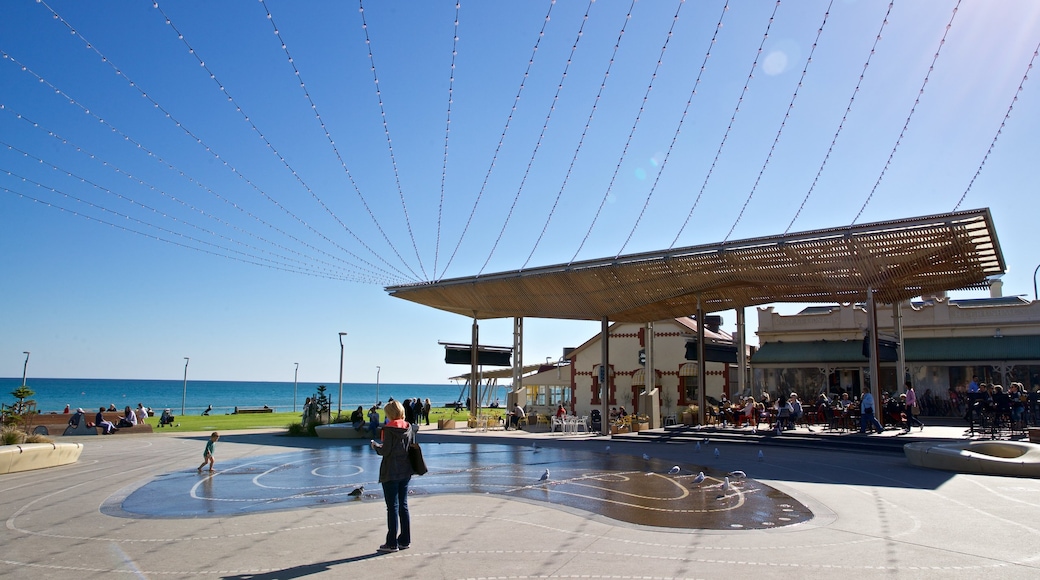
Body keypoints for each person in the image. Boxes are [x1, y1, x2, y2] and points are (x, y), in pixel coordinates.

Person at [371, 400, 414, 552]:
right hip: (405, 470)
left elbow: (386, 451)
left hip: (391, 471)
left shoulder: (388, 429)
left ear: (390, 414)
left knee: (392, 507)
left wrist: (376, 447)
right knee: (403, 505)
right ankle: (405, 539)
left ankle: (391, 542)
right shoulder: (408, 427)